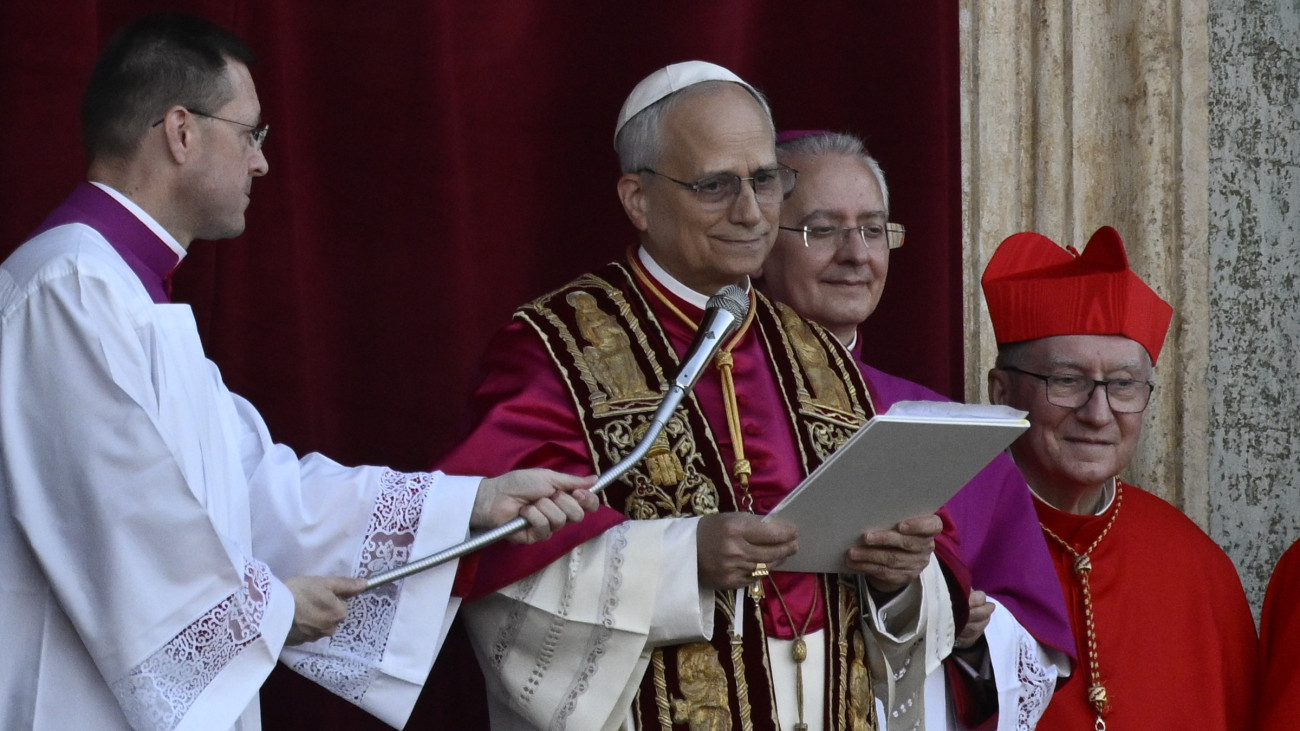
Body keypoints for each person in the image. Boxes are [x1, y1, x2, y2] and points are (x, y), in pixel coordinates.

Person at [0, 13, 597, 730]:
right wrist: (271, 610)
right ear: (181, 132)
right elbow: (120, 518)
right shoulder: (68, 286)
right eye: (251, 134)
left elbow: (254, 485)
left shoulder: (121, 290)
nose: (261, 162)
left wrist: (475, 502)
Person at [437, 62, 957, 730]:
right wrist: (687, 559)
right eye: (716, 185)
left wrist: (899, 580)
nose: (749, 211)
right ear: (638, 198)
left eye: (766, 180)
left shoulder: (821, 354)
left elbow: (898, 600)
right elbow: (499, 565)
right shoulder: (554, 348)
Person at [760, 129, 1075, 729]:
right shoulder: (708, 409)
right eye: (822, 230)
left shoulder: (939, 426)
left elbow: (1035, 648)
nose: (857, 254)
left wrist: (964, 623)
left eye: (874, 229)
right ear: (759, 244)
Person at [980, 226, 1258, 729]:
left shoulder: (1199, 568)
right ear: (1001, 392)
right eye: (1067, 381)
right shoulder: (948, 539)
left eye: (1124, 386)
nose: (1098, 413)